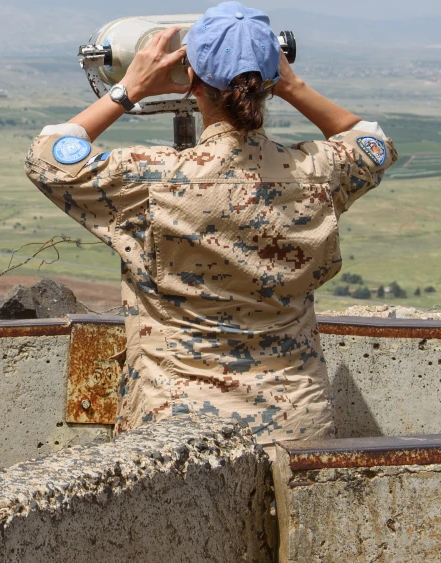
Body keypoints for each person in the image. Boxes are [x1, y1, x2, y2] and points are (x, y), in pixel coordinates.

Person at [24, 1, 397, 449]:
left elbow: (47, 157)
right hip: (298, 426)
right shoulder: (318, 171)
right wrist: (293, 86)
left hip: (180, 432)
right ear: (269, 82)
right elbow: (371, 143)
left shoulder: (152, 179)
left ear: (192, 80)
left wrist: (130, 89)